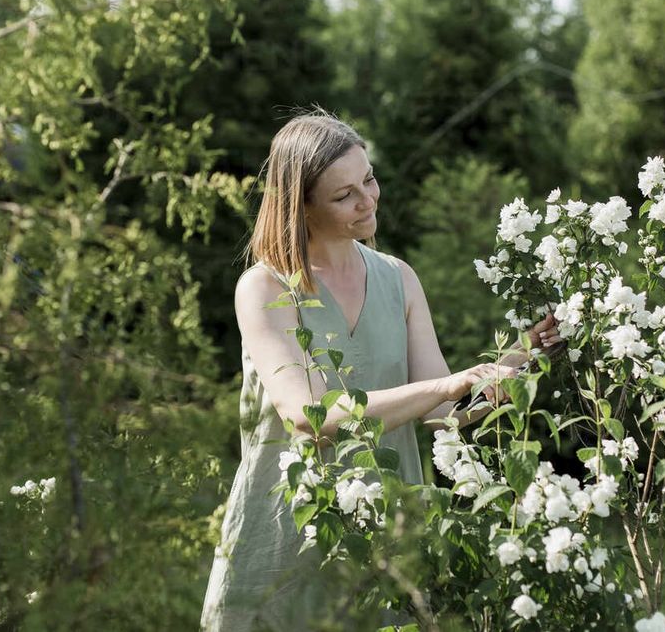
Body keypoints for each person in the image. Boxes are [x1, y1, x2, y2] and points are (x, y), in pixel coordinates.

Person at [200, 110, 561, 631]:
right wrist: (448, 383)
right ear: (299, 205)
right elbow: (309, 417)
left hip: (385, 547)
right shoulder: (265, 288)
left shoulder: (398, 278)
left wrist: (515, 363)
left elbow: (442, 414)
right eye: (344, 195)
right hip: (287, 544)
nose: (367, 199)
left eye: (368, 179)